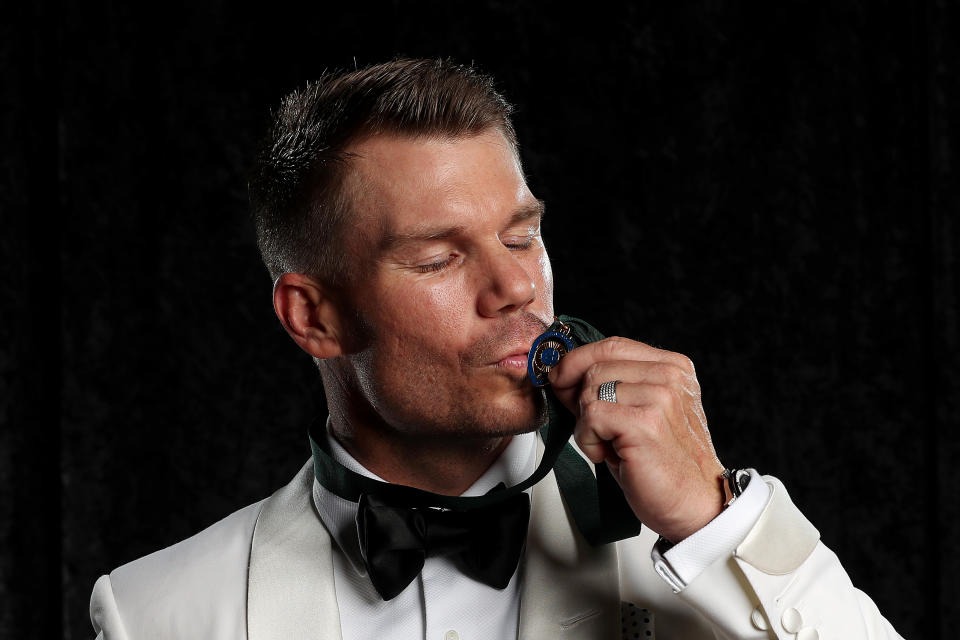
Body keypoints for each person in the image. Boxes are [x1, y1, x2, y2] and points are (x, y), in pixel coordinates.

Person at [89, 57, 903, 640]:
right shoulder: (154, 612)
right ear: (314, 317)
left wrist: (717, 526)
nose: (514, 289)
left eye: (522, 236)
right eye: (440, 258)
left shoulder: (693, 538)